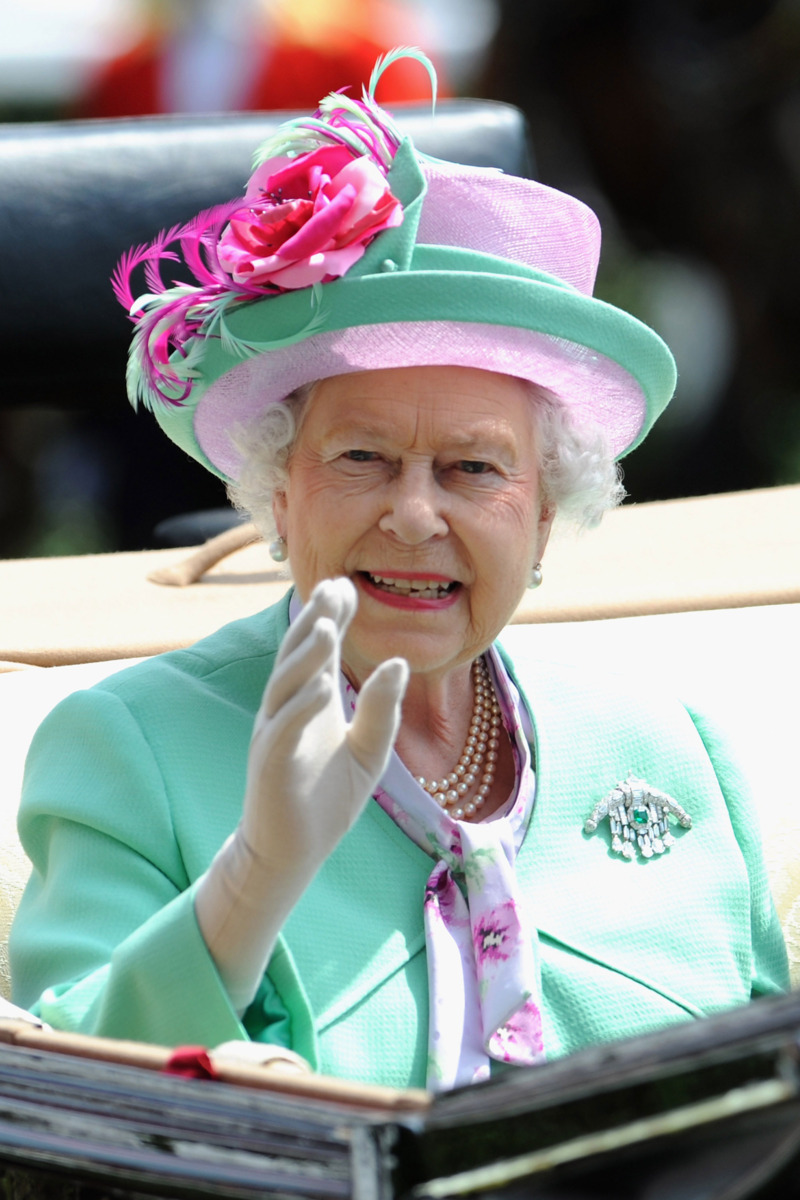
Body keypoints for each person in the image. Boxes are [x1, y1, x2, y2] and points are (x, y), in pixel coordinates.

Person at [10, 50, 787, 1092]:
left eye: (472, 469)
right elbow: (64, 1104)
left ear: (546, 515)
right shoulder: (125, 753)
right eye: (361, 458)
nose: (413, 514)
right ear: (278, 492)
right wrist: (252, 880)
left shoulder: (672, 747)